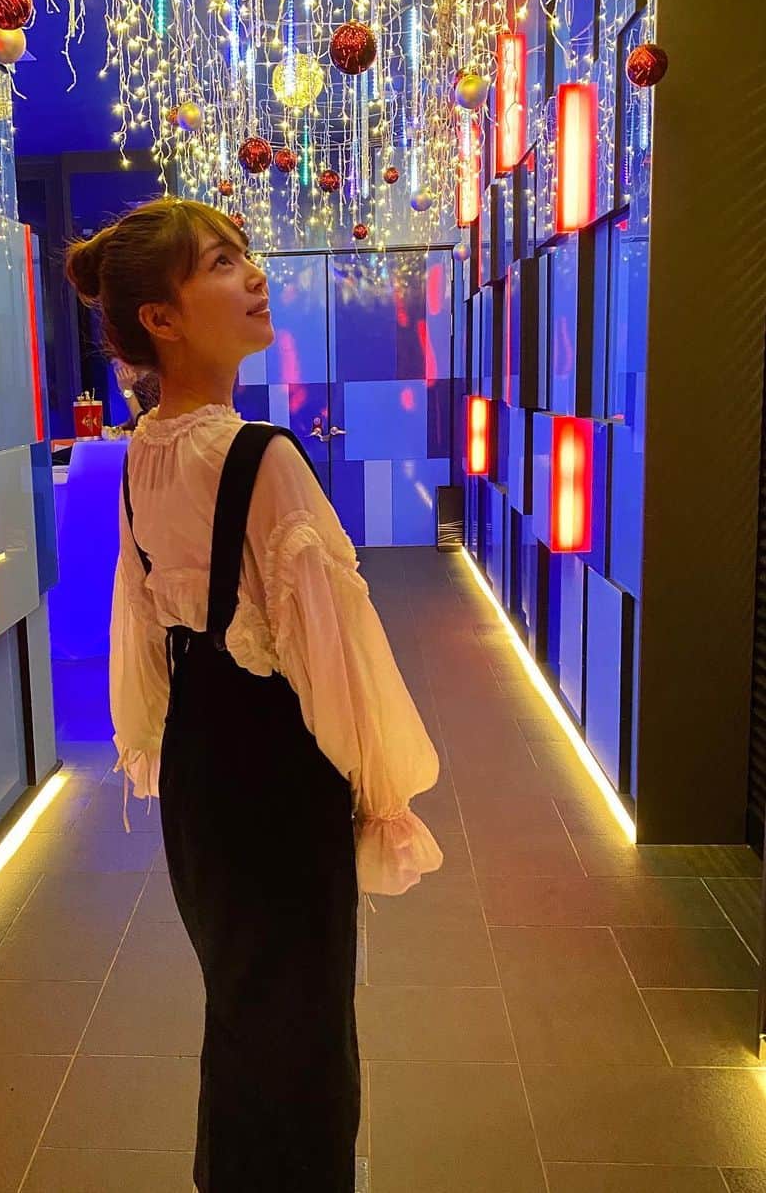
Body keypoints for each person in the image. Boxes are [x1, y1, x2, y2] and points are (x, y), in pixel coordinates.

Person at [66, 198, 442, 1193]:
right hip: (276, 767)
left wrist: (150, 738)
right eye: (222, 263)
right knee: (306, 1023)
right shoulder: (258, 455)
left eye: (244, 255)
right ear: (161, 317)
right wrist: (380, 788)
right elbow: (336, 649)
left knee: (240, 1003)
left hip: (200, 761)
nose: (255, 274)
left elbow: (140, 623)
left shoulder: (145, 451)